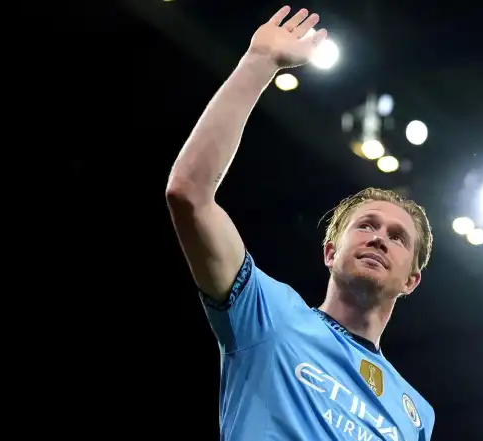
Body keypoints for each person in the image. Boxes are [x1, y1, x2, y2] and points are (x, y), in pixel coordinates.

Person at [166, 6, 435, 440]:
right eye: (365, 226)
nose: (379, 239)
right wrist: (259, 62)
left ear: (412, 281)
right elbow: (189, 195)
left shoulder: (416, 415)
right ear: (330, 252)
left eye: (397, 237)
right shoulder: (266, 312)